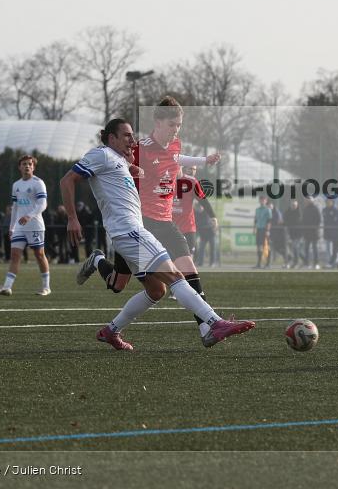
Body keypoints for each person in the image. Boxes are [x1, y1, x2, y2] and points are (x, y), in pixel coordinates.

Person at [64, 118, 255, 351]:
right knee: (175, 276)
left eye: (132, 135)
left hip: (130, 232)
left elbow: (120, 176)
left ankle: (111, 331)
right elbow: (68, 179)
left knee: (156, 290)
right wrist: (72, 218)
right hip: (129, 231)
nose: (132, 140)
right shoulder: (101, 154)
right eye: (126, 135)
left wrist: (132, 168)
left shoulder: (118, 159)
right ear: (111, 138)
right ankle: (214, 323)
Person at [88, 97, 223, 337]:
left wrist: (203, 160)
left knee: (187, 269)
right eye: (172, 124)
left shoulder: (176, 144)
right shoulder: (139, 149)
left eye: (179, 125)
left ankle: (206, 328)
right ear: (158, 122)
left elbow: (175, 158)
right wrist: (130, 170)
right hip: (141, 224)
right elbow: (113, 164)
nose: (176, 130)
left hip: (166, 222)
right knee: (120, 284)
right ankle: (98, 261)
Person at [0, 155, 51, 296]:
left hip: (35, 226)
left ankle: (46, 287)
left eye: (30, 164)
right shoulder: (16, 185)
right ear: (19, 167)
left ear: (33, 167)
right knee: (15, 255)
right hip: (19, 227)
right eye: (24, 164)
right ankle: (7, 287)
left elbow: (43, 204)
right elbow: (15, 207)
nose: (27, 166)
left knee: (39, 254)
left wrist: (29, 216)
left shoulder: (38, 183)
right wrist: (11, 227)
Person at [171, 166, 217, 261]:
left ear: (181, 166)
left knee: (189, 258)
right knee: (172, 260)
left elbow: (203, 200)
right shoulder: (164, 181)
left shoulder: (191, 181)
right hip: (170, 228)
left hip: (187, 227)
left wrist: (213, 216)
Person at [300, 197, 321, 269]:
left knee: (315, 249)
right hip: (307, 233)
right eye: (306, 200)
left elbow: (318, 220)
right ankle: (307, 263)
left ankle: (316, 263)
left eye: (308, 200)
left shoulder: (315, 209)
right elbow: (303, 220)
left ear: (312, 201)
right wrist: (304, 229)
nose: (307, 202)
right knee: (306, 249)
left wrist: (315, 228)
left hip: (314, 232)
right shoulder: (305, 209)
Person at [194, 202, 216, 267]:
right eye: (198, 208)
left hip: (210, 233)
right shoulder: (195, 213)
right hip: (203, 234)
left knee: (212, 248)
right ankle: (200, 263)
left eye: (200, 207)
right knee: (201, 249)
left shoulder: (206, 212)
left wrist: (214, 227)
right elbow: (196, 224)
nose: (199, 209)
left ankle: (212, 263)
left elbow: (211, 221)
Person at [254, 195, 272, 269]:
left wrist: (267, 230)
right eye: (261, 200)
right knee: (259, 246)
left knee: (266, 246)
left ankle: (268, 264)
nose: (262, 201)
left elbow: (269, 221)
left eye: (264, 200)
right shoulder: (257, 209)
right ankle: (259, 263)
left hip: (264, 229)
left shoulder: (268, 209)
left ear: (266, 201)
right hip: (259, 229)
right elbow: (256, 219)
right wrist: (254, 228)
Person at [268, 201, 288, 268]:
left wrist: (271, 225)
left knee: (280, 248)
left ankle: (287, 259)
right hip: (273, 233)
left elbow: (278, 222)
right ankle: (269, 263)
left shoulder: (276, 212)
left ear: (273, 206)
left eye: (270, 206)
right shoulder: (269, 212)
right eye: (268, 206)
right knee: (275, 248)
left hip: (279, 234)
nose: (270, 207)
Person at [283, 200, 303, 268]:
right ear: (290, 205)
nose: (293, 206)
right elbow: (285, 220)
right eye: (292, 205)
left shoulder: (299, 212)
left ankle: (296, 262)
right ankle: (303, 260)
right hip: (290, 233)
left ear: (297, 206)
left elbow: (297, 221)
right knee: (292, 249)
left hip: (298, 234)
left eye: (295, 205)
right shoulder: (287, 212)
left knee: (295, 247)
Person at [321, 198, 336, 267]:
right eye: (327, 202)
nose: (328, 203)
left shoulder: (335, 210)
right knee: (328, 249)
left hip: (334, 232)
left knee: (334, 249)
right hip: (327, 232)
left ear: (332, 202)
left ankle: (334, 262)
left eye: (329, 202)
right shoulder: (324, 210)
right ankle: (329, 262)